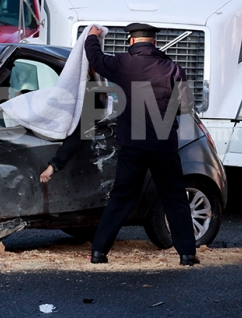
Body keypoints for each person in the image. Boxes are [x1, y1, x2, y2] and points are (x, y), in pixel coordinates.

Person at [84, 22, 199, 266]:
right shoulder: (173, 68)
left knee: (121, 197)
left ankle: (99, 252)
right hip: (164, 145)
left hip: (133, 146)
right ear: (154, 42)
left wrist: (92, 37)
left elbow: (96, 58)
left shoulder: (123, 63)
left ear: (132, 41)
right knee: (175, 198)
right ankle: (187, 254)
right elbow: (186, 106)